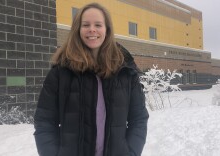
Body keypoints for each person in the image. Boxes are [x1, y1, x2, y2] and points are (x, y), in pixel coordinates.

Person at [33, 3, 149, 156]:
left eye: (98, 25)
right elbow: (44, 122)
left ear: (106, 30)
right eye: (86, 25)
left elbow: (138, 119)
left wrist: (131, 152)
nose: (92, 29)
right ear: (77, 30)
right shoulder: (60, 72)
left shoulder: (125, 71)